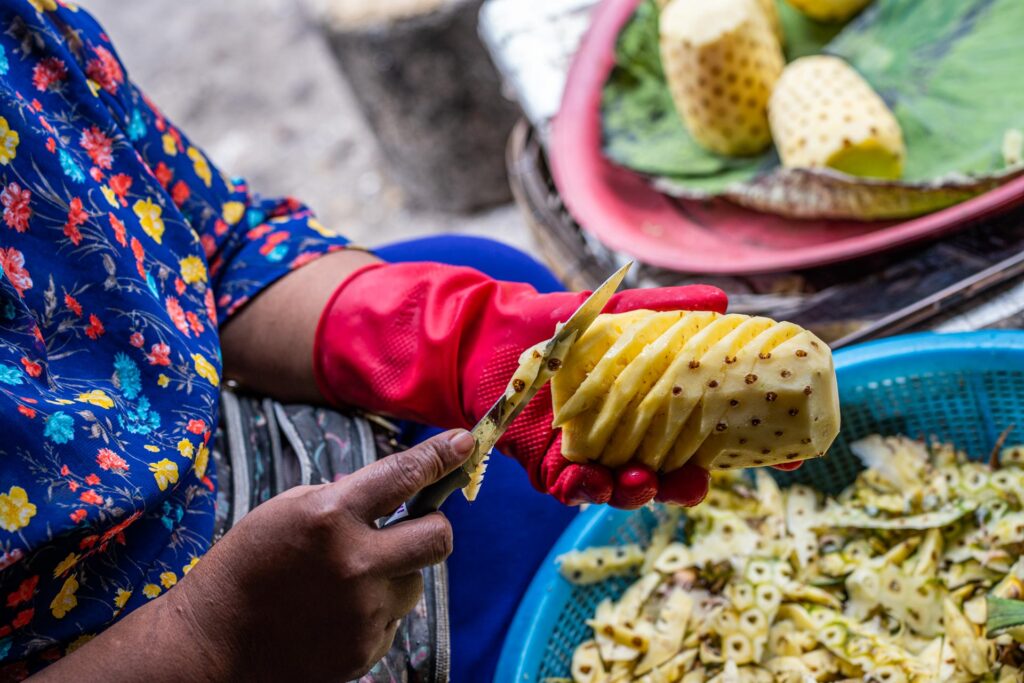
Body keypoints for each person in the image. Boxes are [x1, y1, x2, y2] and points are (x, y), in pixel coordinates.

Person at [0, 2, 767, 680]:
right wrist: (210, 640)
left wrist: (448, 341)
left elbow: (212, 246)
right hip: (140, 646)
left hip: (228, 449)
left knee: (482, 270)